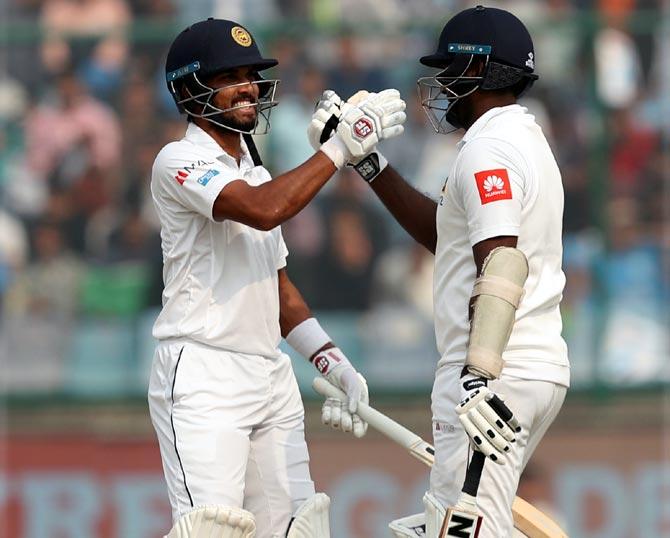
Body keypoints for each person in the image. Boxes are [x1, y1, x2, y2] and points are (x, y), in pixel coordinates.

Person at [309, 6, 569, 537]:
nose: (443, 85)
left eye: (450, 71)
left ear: (479, 71)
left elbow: (500, 262)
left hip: (495, 372)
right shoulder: (524, 137)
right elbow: (445, 235)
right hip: (529, 366)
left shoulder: (487, 148)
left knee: (468, 531)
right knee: (448, 521)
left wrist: (477, 379)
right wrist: (368, 163)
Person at [146, 18, 406, 538]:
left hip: (270, 374)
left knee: (297, 530)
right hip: (203, 372)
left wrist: (332, 360)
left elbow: (277, 287)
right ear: (191, 86)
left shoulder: (258, 170)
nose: (247, 86)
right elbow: (263, 211)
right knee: (213, 530)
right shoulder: (177, 160)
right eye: (229, 75)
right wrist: (339, 150)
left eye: (251, 74)